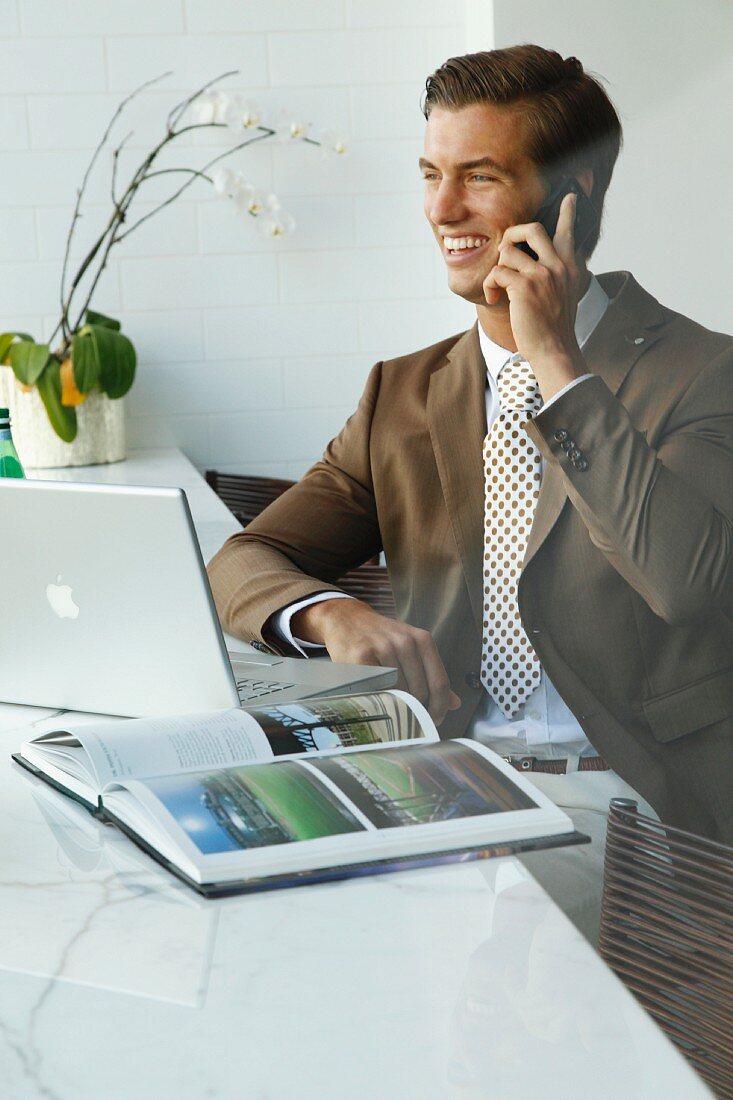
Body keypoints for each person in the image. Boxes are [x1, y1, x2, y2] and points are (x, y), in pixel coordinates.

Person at [208, 46, 733, 939]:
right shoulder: (401, 395)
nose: (441, 210)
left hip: (637, 814)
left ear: (576, 191)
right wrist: (331, 613)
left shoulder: (703, 373)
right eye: (429, 175)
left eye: (478, 177)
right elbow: (245, 560)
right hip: (443, 794)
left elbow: (683, 581)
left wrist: (556, 362)